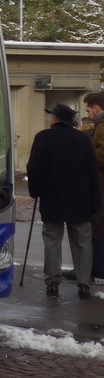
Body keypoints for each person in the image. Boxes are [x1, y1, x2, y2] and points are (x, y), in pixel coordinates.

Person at [27, 103, 100, 298]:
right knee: (82, 242)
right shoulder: (83, 139)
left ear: (56, 119)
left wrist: (36, 191)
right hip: (80, 198)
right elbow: (92, 172)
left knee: (52, 240)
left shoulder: (42, 138)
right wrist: (95, 199)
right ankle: (84, 283)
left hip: (52, 197)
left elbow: (33, 167)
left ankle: (52, 281)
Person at [81, 91, 104, 281]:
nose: (87, 114)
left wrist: (86, 156)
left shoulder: (102, 126)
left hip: (101, 186)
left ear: (96, 108)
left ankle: (97, 268)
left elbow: (101, 155)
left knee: (98, 227)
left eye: (88, 110)